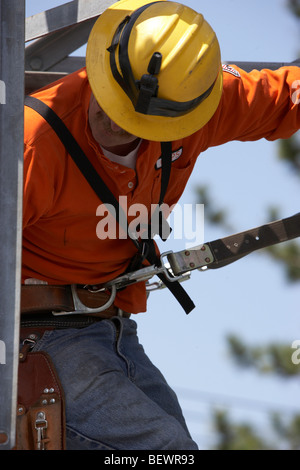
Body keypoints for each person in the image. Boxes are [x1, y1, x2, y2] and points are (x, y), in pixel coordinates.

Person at [21, 0, 299, 450]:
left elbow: (284, 95)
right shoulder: (34, 143)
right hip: (35, 334)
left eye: (134, 119)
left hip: (111, 325)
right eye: (110, 97)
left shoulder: (194, 112)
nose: (110, 119)